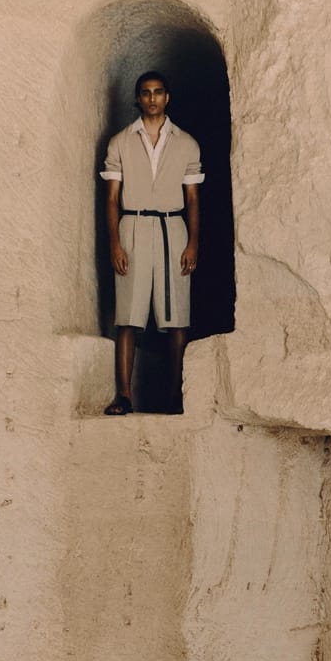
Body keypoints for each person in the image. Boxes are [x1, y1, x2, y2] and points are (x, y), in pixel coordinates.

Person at [100, 71, 203, 415]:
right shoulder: (120, 142)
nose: (152, 98)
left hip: (173, 228)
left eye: (158, 92)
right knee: (128, 315)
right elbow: (111, 199)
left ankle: (175, 396)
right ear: (138, 98)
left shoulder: (186, 143)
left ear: (167, 97)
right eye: (146, 93)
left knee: (177, 317)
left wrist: (193, 244)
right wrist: (115, 244)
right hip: (133, 226)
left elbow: (193, 199)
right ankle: (124, 395)